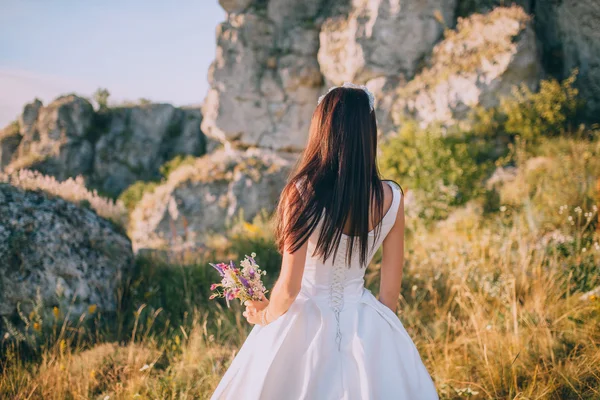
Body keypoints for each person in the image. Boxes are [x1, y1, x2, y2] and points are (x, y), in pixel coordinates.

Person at [211, 82, 438, 399]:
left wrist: (263, 315)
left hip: (303, 320)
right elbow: (390, 298)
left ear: (322, 130)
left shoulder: (302, 193)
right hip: (365, 318)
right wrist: (383, 346)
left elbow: (289, 289)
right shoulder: (392, 198)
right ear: (368, 132)